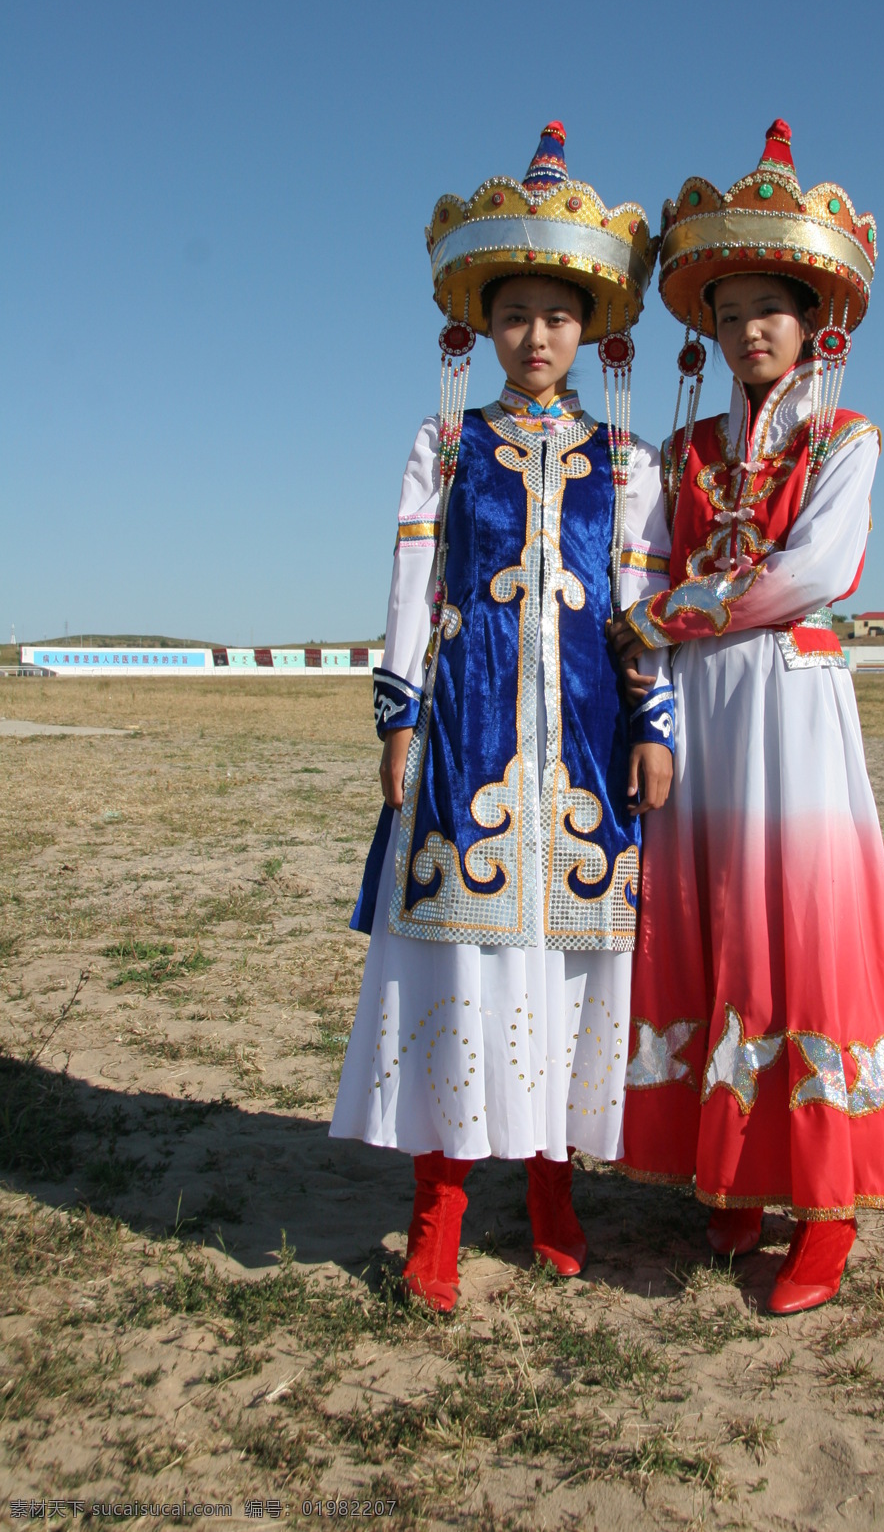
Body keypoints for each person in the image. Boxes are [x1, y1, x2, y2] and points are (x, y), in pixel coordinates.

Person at [331, 122, 674, 1312]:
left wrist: (655, 724)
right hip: (471, 737)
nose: (538, 338)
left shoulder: (625, 461)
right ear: (483, 325)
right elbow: (409, 591)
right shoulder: (446, 443)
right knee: (461, 968)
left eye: (560, 318)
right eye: (517, 315)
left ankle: (552, 1186)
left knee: (569, 974)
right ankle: (438, 1205)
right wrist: (397, 714)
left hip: (582, 744)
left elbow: (638, 604)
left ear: (592, 331)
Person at [610, 120, 884, 1314]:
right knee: (701, 923)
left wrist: (675, 610)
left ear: (815, 324)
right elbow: (635, 568)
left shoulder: (849, 439)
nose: (749, 329)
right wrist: (654, 628)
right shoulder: (676, 452)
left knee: (803, 932)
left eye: (770, 310)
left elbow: (814, 570)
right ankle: (730, 1181)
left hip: (791, 703)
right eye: (730, 310)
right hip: (697, 715)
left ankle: (827, 1204)